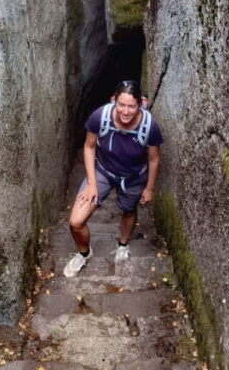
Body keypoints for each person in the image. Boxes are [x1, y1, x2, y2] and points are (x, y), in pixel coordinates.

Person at [64, 79, 162, 278]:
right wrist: (92, 184)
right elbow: (89, 146)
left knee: (128, 210)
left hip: (133, 177)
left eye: (131, 106)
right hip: (103, 171)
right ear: (113, 101)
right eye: (122, 105)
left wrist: (149, 188)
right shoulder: (100, 117)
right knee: (76, 221)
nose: (126, 111)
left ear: (140, 104)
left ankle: (123, 245)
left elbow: (153, 158)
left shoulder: (149, 126)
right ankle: (84, 253)